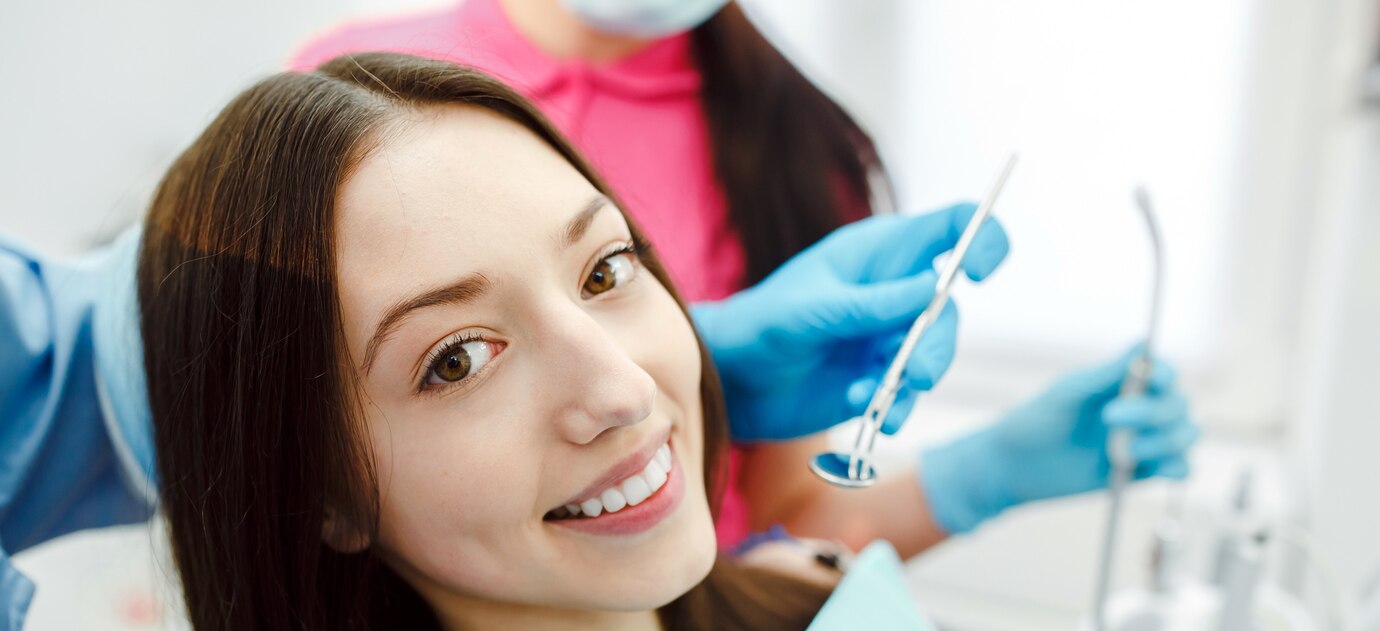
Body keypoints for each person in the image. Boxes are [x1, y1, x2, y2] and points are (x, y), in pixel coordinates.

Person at [137, 53, 1047, 631]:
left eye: (605, 271)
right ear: (323, 496)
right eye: (457, 360)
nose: (620, 388)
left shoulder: (821, 593)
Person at [291, 0, 1198, 555]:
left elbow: (783, 518)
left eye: (610, 272)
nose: (614, 394)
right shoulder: (354, 98)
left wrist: (987, 474)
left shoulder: (795, 150)